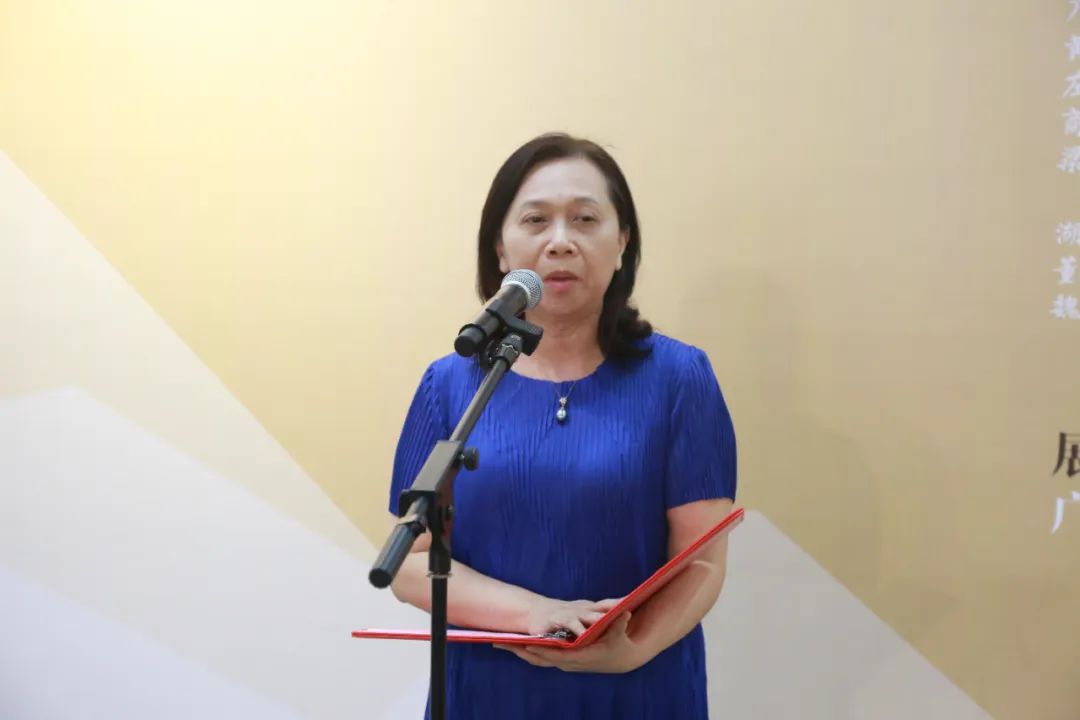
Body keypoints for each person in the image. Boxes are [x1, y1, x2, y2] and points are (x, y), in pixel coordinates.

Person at [386, 132, 737, 719]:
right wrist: (535, 614)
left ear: (622, 242)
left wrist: (628, 650)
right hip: (491, 692)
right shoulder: (449, 385)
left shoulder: (680, 377)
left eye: (585, 219)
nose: (560, 242)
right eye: (535, 220)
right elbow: (411, 560)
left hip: (637, 687)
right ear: (500, 249)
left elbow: (701, 561)